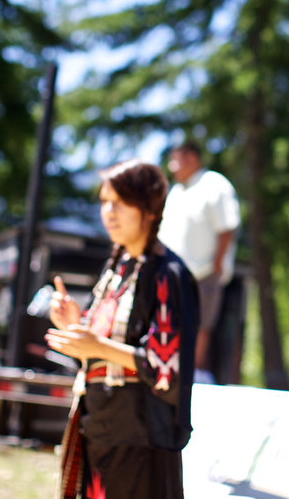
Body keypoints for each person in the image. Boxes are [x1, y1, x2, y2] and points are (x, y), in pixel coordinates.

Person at [47, 159, 199, 499]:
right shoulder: (115, 269)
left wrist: (96, 345)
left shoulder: (167, 274)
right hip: (99, 428)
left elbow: (166, 368)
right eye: (104, 201)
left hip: (141, 437)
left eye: (121, 201)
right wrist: (75, 324)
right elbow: (101, 349)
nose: (109, 212)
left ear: (149, 208)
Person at [157, 141, 240, 383]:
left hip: (204, 272)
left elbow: (227, 227)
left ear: (192, 158)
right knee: (170, 321)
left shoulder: (214, 185)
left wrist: (216, 264)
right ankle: (170, 369)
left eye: (176, 160)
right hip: (172, 273)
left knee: (200, 324)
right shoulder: (176, 191)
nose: (172, 167)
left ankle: (192, 375)